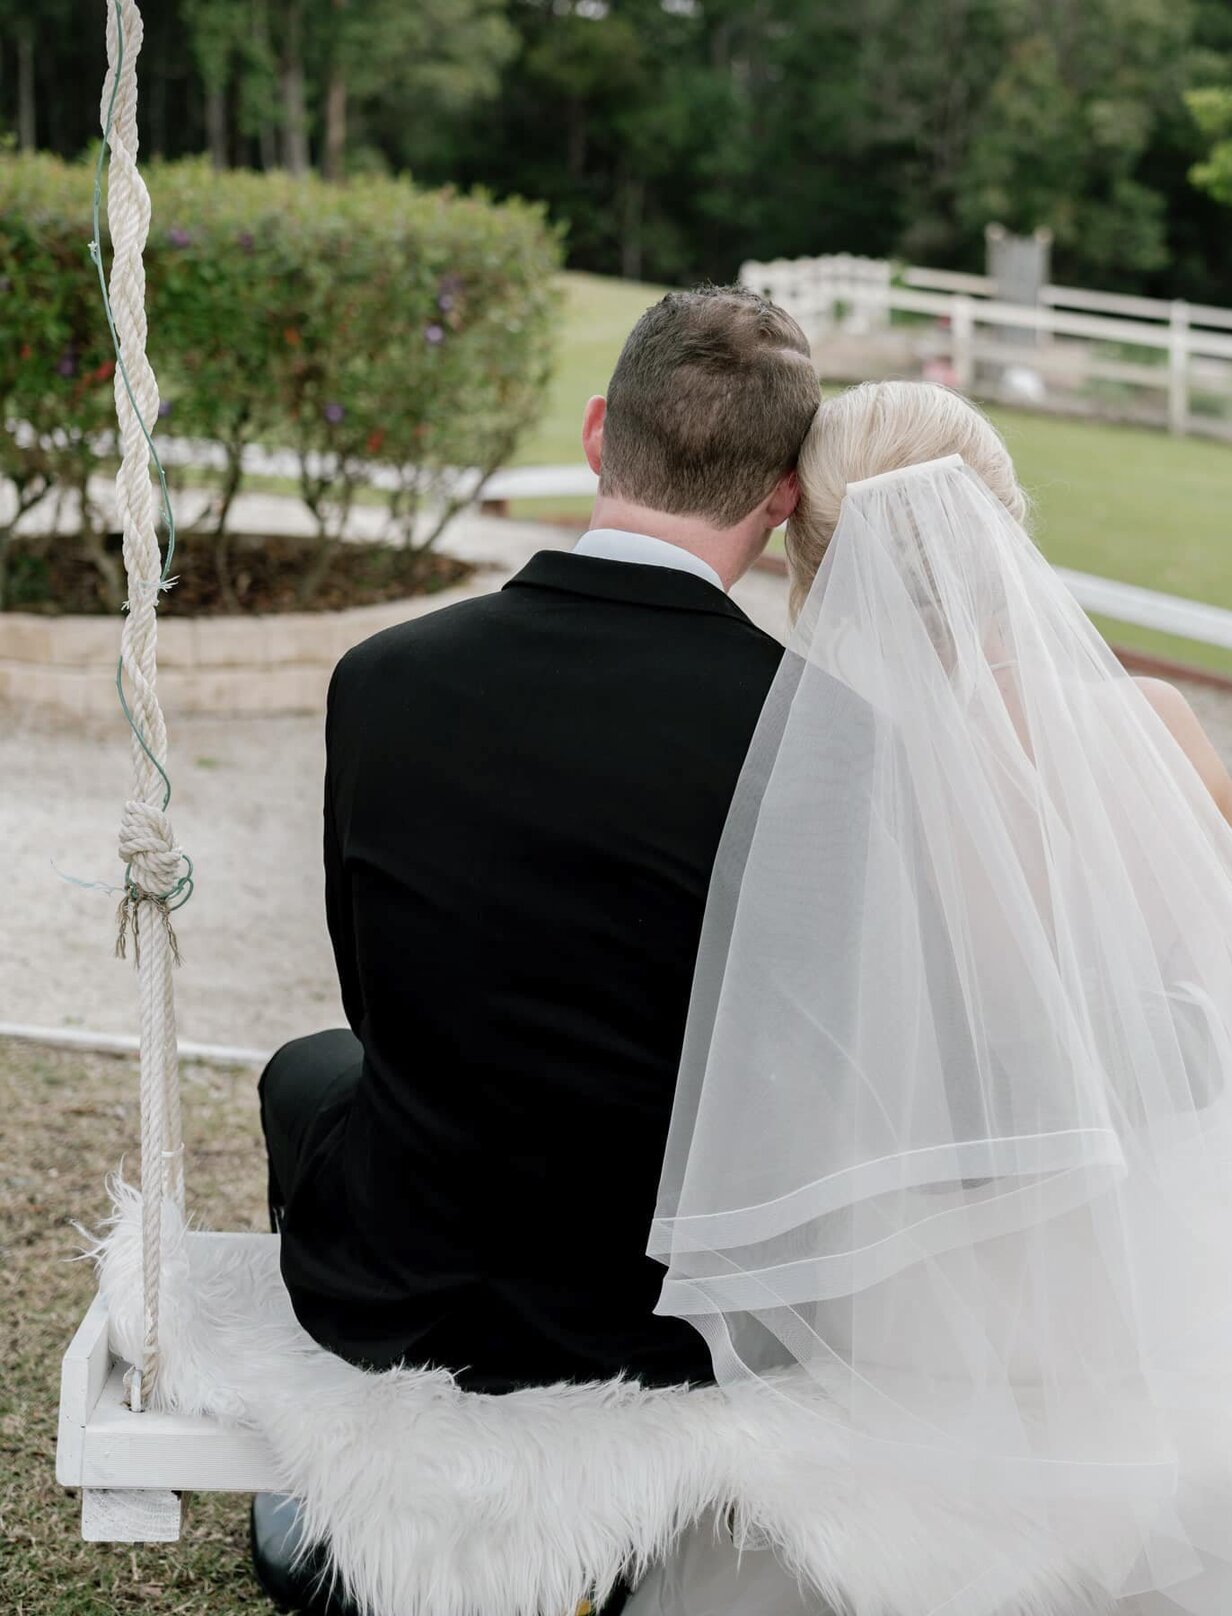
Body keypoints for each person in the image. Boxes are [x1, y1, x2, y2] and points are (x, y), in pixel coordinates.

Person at [636, 381, 1232, 1616]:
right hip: (1143, 1292)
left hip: (900, 1307)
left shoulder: (804, 794)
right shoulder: (1152, 730)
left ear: (808, 553)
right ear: (1004, 527)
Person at [250, 286, 820, 1610]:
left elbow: (380, 990)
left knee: (310, 1071)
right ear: (782, 498)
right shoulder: (816, 731)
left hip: (416, 1273)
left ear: (596, 431)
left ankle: (349, 1507)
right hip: (670, 1313)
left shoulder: (384, 678)